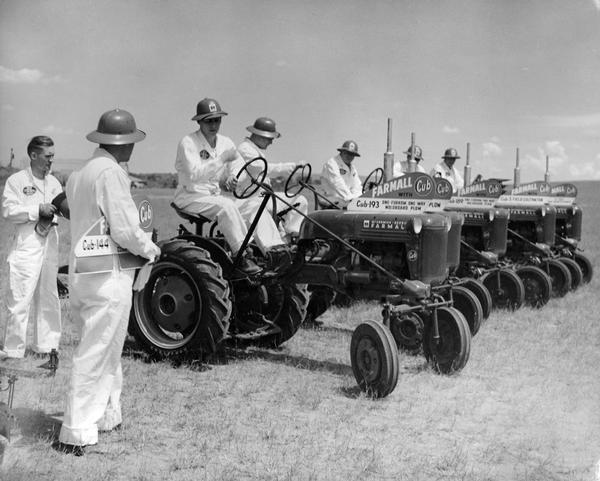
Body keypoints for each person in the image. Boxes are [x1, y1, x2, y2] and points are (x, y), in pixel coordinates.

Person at [57, 109, 161, 455]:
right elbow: (126, 229)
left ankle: (107, 415)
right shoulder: (112, 173)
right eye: (131, 142)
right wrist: (150, 249)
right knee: (97, 350)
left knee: (107, 347)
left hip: (82, 273)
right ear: (124, 143)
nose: (132, 149)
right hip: (108, 275)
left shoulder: (78, 175)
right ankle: (76, 429)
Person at [173, 99, 284, 266]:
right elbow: (195, 175)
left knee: (254, 205)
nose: (213, 125)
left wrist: (233, 177)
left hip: (213, 196)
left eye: (217, 120)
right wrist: (222, 159)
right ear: (199, 121)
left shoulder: (226, 142)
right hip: (191, 197)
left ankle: (274, 252)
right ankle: (243, 255)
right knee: (226, 206)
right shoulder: (188, 142)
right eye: (208, 120)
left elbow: (237, 164)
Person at [0, 136, 63, 359]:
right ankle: (13, 349)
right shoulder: (16, 181)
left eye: (53, 157)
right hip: (27, 242)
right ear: (34, 155)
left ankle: (46, 346)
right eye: (47, 156)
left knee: (48, 295)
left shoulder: (54, 182)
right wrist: (37, 210)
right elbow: (8, 211)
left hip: (50, 241)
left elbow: (63, 207)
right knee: (20, 296)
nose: (51, 161)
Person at [235, 117, 308, 242]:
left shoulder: (255, 150)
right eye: (270, 139)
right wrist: (292, 166)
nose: (271, 142)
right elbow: (262, 168)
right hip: (250, 199)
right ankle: (280, 240)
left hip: (265, 196)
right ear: (260, 136)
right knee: (267, 208)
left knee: (300, 200)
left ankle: (293, 237)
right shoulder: (245, 149)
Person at [319, 140, 363, 208]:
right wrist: (351, 199)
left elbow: (357, 186)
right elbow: (337, 183)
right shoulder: (332, 163)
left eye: (352, 154)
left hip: (347, 201)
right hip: (331, 200)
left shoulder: (352, 168)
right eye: (347, 153)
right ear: (342, 152)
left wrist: (359, 200)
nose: (349, 156)